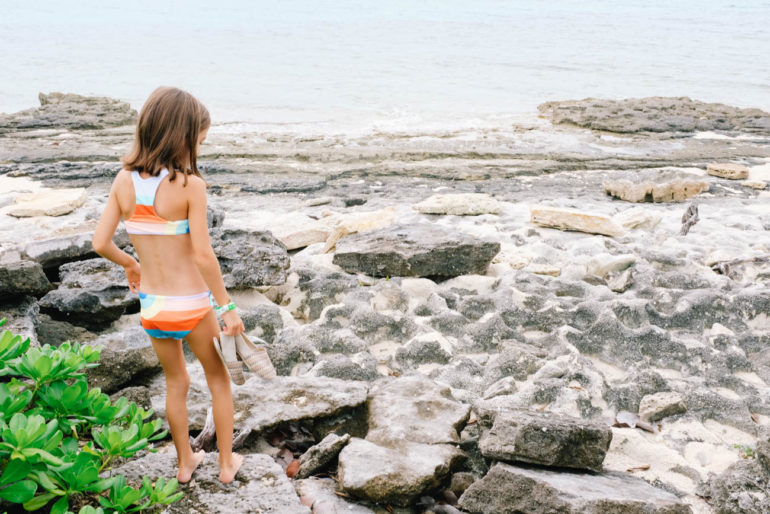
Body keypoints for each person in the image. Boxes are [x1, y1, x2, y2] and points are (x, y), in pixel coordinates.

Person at [92, 86, 244, 484]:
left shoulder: (123, 181)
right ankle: (227, 465)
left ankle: (184, 463)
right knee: (218, 380)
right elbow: (203, 256)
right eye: (198, 139)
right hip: (192, 304)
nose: (199, 148)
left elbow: (99, 243)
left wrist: (131, 263)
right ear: (182, 135)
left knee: (176, 382)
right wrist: (227, 308)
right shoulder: (190, 185)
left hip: (154, 306)